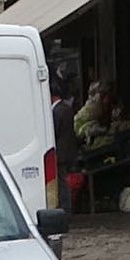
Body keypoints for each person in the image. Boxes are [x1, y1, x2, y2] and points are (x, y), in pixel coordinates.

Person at [49, 78, 81, 212]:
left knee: (61, 181)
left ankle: (65, 207)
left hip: (60, 152)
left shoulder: (57, 111)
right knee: (62, 180)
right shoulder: (66, 109)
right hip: (68, 151)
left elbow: (54, 132)